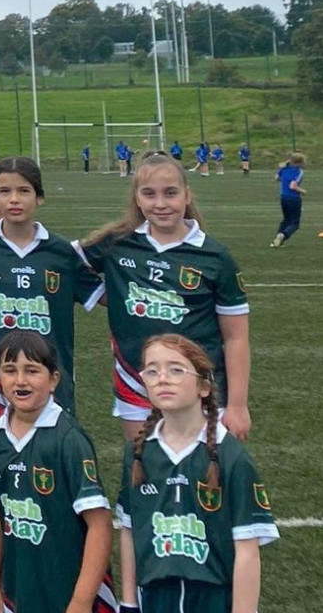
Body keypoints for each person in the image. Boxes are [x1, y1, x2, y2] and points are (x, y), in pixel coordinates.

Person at [116, 334, 323, 613]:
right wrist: (129, 607)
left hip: (217, 607)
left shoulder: (230, 457)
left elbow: (247, 551)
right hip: (160, 604)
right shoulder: (138, 453)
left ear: (204, 385)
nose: (162, 378)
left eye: (176, 370)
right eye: (152, 371)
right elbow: (128, 531)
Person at [0, 331, 122, 613]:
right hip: (21, 593)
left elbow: (100, 525)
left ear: (54, 379)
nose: (20, 380)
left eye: (32, 370)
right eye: (10, 370)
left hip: (66, 595)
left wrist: (81, 603)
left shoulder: (69, 440)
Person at [77, 152, 251, 442]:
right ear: (137, 198)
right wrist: (108, 295)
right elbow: (59, 259)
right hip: (137, 384)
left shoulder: (215, 257)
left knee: (203, 468)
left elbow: (236, 337)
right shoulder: (118, 243)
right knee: (142, 464)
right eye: (149, 194)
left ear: (187, 195)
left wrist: (237, 406)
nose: (160, 203)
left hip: (200, 388)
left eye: (170, 193)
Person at [0, 157, 99, 454]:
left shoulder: (62, 251)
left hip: (48, 384)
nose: (14, 199)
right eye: (5, 191)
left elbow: (109, 296)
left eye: (24, 191)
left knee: (48, 469)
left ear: (39, 197)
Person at [271, 153, 306, 248]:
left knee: (286, 219)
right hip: (293, 198)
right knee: (295, 223)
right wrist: (302, 191)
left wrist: (283, 177)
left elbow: (276, 178)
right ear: (299, 163)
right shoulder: (299, 171)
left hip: (283, 197)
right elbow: (293, 186)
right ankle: (283, 235)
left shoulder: (283, 169)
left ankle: (276, 241)